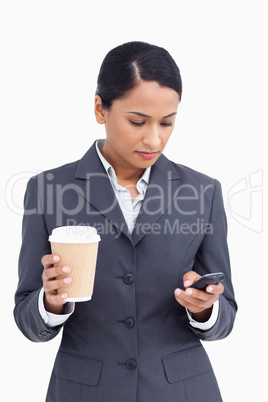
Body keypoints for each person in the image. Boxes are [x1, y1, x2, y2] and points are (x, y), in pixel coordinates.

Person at [14, 41, 237, 402]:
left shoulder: (203, 191)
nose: (154, 139)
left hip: (182, 390)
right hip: (85, 391)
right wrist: (50, 302)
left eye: (167, 123)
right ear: (101, 108)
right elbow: (27, 317)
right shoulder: (47, 190)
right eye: (137, 121)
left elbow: (227, 316)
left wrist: (207, 309)